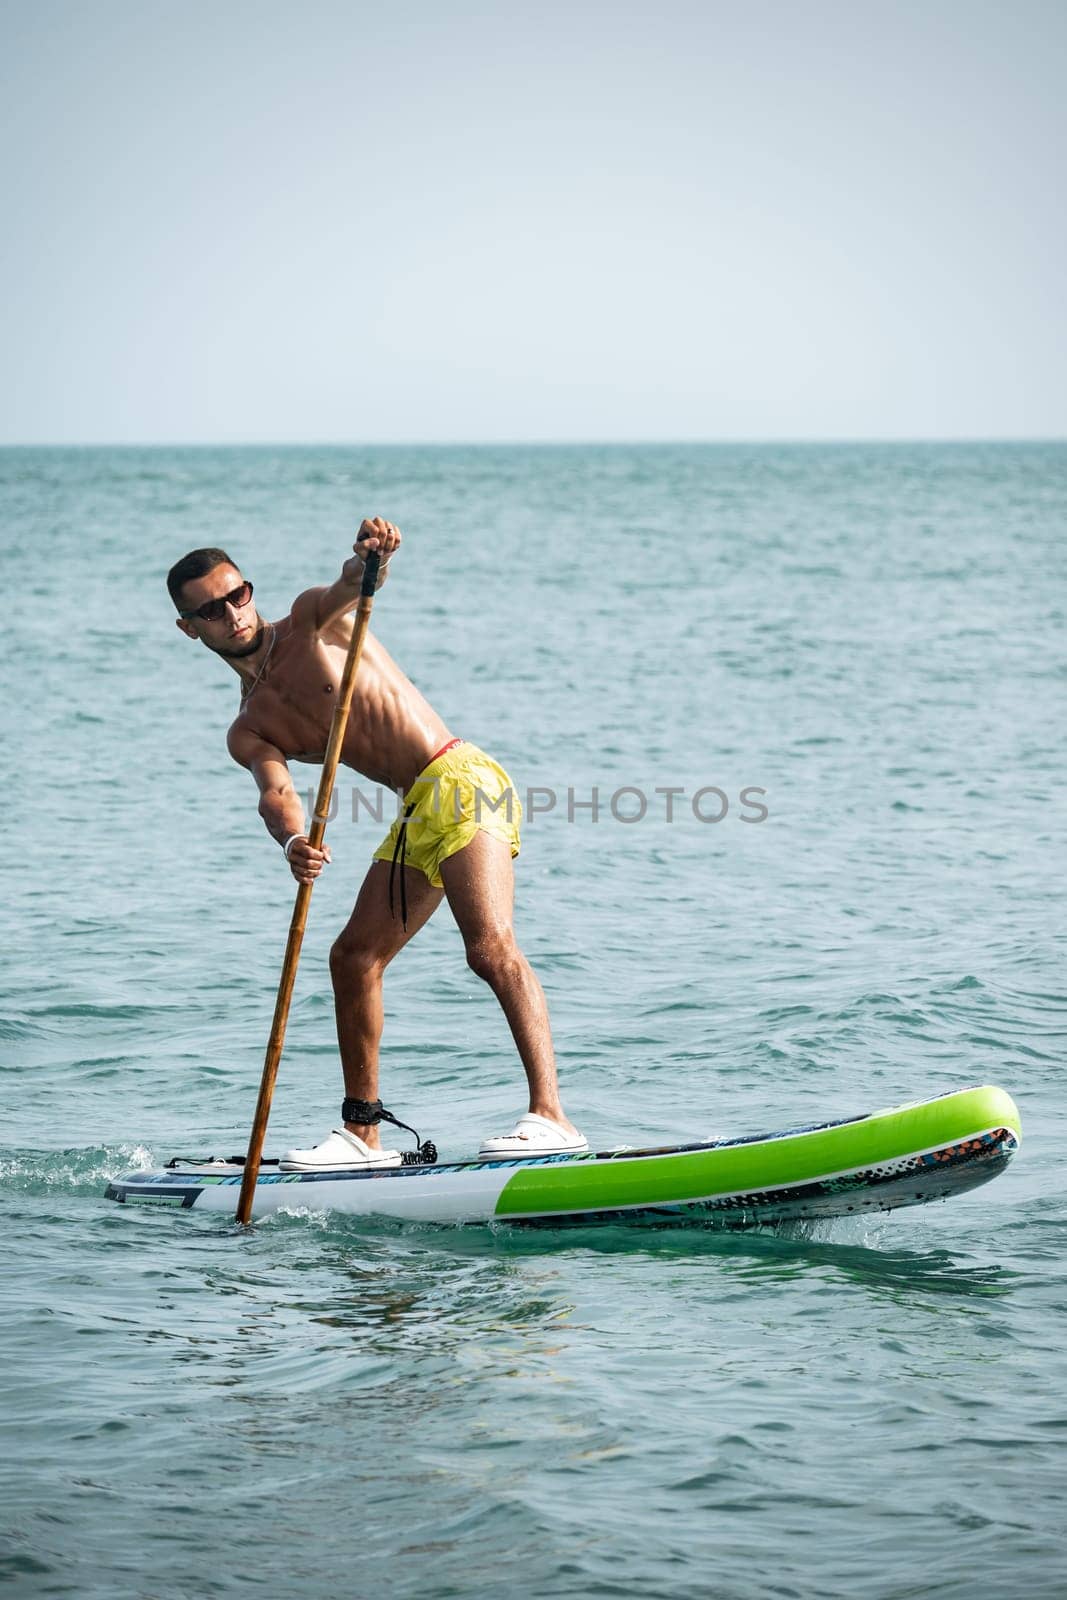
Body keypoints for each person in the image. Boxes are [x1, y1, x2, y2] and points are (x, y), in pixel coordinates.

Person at [166, 518, 585, 1169]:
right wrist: (293, 840)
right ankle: (362, 1136)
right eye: (211, 611)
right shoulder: (248, 726)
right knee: (353, 958)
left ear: (250, 590)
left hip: (461, 777)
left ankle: (552, 1116)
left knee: (488, 947)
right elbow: (274, 792)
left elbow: (354, 585)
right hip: (418, 806)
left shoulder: (310, 622)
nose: (232, 614)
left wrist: (371, 559)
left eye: (238, 595)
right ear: (190, 628)